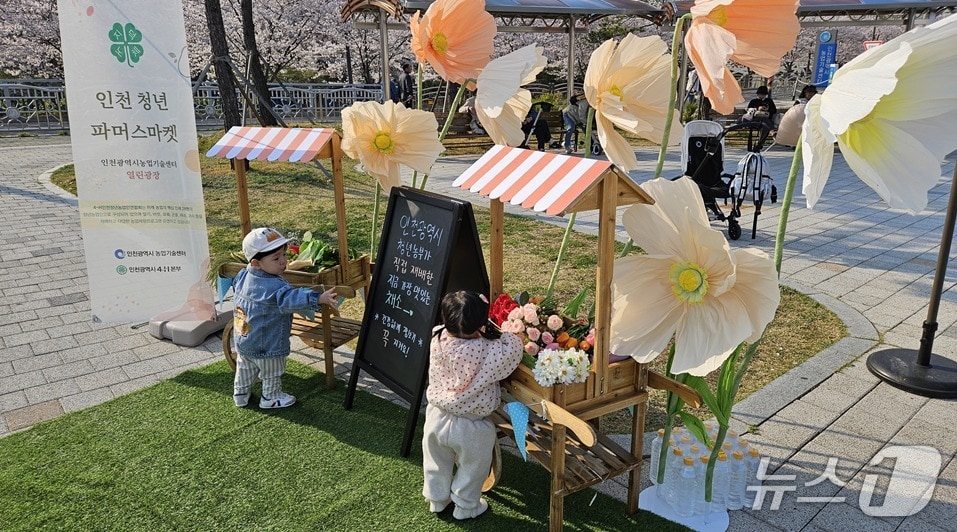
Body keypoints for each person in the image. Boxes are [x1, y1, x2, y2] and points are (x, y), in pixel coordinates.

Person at [422, 291, 523, 520]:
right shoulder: (489, 351)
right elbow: (514, 347)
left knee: (435, 461)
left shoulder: (437, 338)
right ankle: (466, 507)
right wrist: (505, 332)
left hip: (437, 416)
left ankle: (437, 500)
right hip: (472, 424)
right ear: (480, 324)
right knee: (473, 467)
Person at [232, 227, 338, 409]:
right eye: (276, 258)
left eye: (283, 254)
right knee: (271, 372)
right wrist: (318, 298)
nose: (283, 261)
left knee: (245, 368)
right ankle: (270, 397)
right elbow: (292, 298)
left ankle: (240, 394)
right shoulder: (274, 287)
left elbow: (237, 288)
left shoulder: (243, 274)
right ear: (256, 263)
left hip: (244, 339)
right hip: (268, 344)